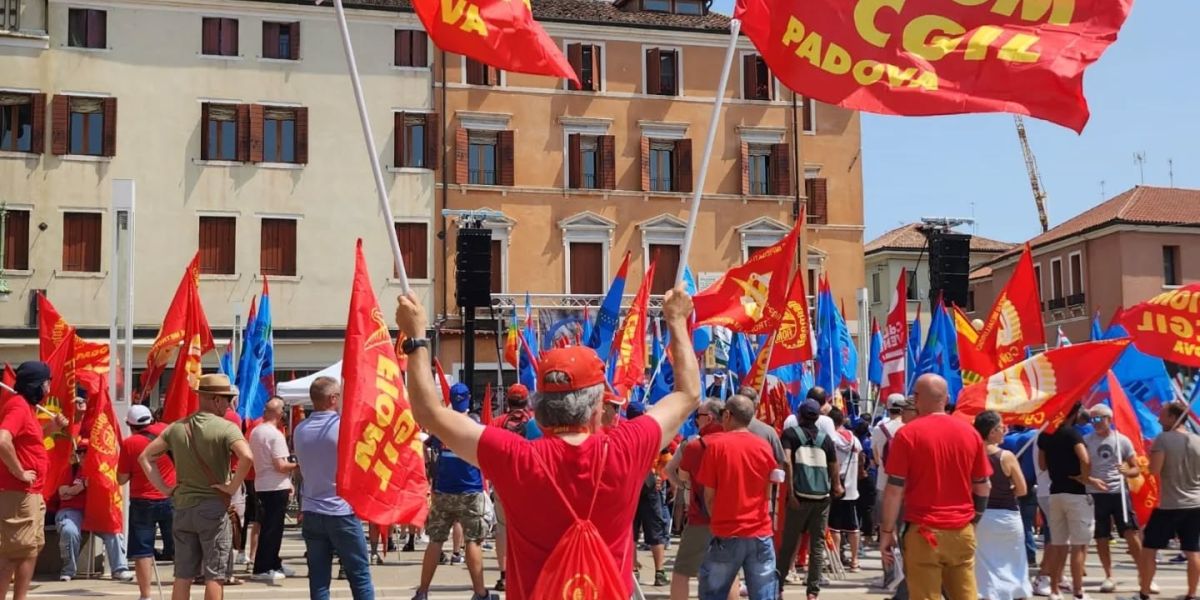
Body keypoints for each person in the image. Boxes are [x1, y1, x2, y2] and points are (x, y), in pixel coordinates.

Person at [396, 286, 700, 600]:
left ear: (539, 409)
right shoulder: (627, 447)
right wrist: (676, 321)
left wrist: (416, 337)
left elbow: (428, 412)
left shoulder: (514, 457)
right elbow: (689, 394)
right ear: (597, 407)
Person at [138, 373, 254, 600]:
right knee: (214, 575)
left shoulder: (177, 428)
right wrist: (231, 487)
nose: (229, 405)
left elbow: (145, 457)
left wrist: (165, 489)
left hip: (183, 507)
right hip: (213, 507)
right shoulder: (226, 428)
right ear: (216, 400)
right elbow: (247, 457)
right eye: (227, 399)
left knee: (183, 575)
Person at [879, 374, 992, 600]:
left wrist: (887, 532)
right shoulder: (970, 433)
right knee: (966, 595)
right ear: (946, 398)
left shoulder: (907, 435)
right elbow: (983, 486)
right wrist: (974, 521)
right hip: (961, 530)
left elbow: (894, 490)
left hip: (923, 531)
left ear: (917, 398)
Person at [293, 376, 375, 600]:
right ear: (332, 398)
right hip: (341, 510)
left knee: (319, 580)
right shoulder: (344, 428)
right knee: (359, 576)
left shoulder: (300, 429)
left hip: (311, 509)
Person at [692, 395, 778, 600]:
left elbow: (709, 495)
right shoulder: (763, 446)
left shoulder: (717, 447)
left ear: (728, 415)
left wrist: (717, 520)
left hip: (726, 530)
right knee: (765, 594)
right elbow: (768, 490)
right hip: (760, 531)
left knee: (713, 593)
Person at [413, 382, 491, 600]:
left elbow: (428, 444)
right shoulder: (476, 426)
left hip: (443, 491)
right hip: (471, 491)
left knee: (435, 540)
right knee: (473, 541)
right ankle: (480, 593)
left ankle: (422, 591)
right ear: (468, 399)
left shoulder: (443, 425)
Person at [0, 361, 66, 600]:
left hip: (30, 492)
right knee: (14, 551)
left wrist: (52, 427)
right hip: (18, 491)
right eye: (47, 382)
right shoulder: (18, 406)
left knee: (29, 548)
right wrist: (19, 472)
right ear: (37, 384)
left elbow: (31, 439)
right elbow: (3, 440)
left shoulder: (26, 407)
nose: (49, 387)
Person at [1129, 401, 1200, 600]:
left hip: (1169, 504)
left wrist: (1144, 464)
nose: (1158, 419)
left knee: (1149, 549)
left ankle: (1144, 592)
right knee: (1192, 550)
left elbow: (1154, 470)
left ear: (1173, 417)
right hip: (1195, 503)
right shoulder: (1198, 440)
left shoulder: (1163, 439)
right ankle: (1192, 593)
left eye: (1162, 415)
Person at [669, 399, 738, 600]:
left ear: (709, 418)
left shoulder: (695, 446)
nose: (695, 421)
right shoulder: (735, 443)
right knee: (729, 573)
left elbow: (683, 478)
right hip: (730, 518)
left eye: (697, 416)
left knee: (682, 571)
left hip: (700, 518)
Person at [1038, 403, 1104, 600]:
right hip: (1076, 494)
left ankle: (1054, 590)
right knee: (1079, 546)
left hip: (1055, 493)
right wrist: (1085, 477)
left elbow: (1042, 465)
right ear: (1074, 414)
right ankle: (1078, 591)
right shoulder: (1072, 434)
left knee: (1058, 544)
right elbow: (1085, 459)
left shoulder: (1045, 435)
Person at [777, 398, 841, 599]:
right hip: (822, 498)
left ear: (799, 416)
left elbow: (787, 461)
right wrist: (836, 486)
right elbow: (834, 464)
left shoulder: (790, 434)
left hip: (799, 497)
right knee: (817, 545)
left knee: (788, 544)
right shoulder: (825, 439)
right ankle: (813, 591)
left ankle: (778, 587)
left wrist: (791, 493)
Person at [1084, 403, 1147, 594]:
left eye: (1098, 418)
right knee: (1101, 536)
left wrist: (1127, 472)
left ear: (1109, 419)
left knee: (1130, 533)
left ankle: (1144, 574)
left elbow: (1136, 469)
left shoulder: (1122, 440)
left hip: (1119, 492)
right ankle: (1109, 575)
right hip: (1096, 493)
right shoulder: (1086, 441)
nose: (1094, 422)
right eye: (1091, 419)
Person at [972, 411, 1031, 600]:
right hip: (1007, 516)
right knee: (1014, 562)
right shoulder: (1006, 456)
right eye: (1001, 427)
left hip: (981, 516)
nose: (1005, 430)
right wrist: (1009, 489)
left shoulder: (971, 454)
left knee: (984, 565)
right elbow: (1022, 489)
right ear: (991, 432)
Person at [54, 440, 133, 582]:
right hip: (72, 510)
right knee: (69, 531)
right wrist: (83, 486)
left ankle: (120, 569)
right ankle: (68, 570)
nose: (82, 455)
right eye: (79, 452)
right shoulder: (71, 470)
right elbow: (62, 492)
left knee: (113, 530)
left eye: (86, 451)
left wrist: (74, 491)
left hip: (97, 510)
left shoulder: (104, 471)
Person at [119, 404, 176, 600]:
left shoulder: (129, 443)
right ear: (151, 418)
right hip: (172, 496)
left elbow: (121, 479)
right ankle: (181, 591)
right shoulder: (166, 431)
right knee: (180, 546)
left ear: (130, 425)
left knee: (142, 550)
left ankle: (145, 595)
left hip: (142, 501)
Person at [487, 383, 532, 591]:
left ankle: (505, 575)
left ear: (508, 400)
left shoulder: (497, 423)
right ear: (526, 401)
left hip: (503, 482)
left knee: (502, 528)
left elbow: (489, 449)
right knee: (529, 529)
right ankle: (526, 573)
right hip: (529, 482)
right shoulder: (534, 422)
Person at [248, 398, 298, 581]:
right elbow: (280, 465)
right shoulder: (275, 435)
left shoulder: (256, 431)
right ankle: (264, 567)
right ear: (278, 413)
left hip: (263, 484)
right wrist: (297, 464)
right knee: (272, 529)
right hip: (275, 486)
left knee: (269, 527)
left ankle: (273, 563)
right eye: (283, 410)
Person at [1000, 423, 1040, 566]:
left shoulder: (1016, 439)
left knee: (1025, 522)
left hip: (1026, 483)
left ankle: (1029, 555)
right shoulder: (1043, 435)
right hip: (1043, 483)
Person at [828, 407, 863, 572]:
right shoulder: (854, 439)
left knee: (834, 527)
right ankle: (855, 561)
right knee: (853, 527)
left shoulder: (831, 438)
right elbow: (861, 457)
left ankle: (836, 562)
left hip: (836, 486)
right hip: (851, 487)